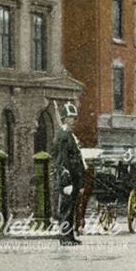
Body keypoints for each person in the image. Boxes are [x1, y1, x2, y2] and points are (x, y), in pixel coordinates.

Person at [52, 102, 85, 245]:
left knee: (71, 209)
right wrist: (67, 182)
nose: (74, 121)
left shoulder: (69, 135)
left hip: (74, 179)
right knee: (65, 209)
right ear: (64, 119)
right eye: (71, 118)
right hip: (68, 180)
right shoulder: (63, 136)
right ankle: (64, 238)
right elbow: (61, 161)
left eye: (74, 118)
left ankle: (69, 236)